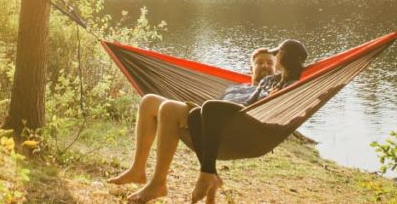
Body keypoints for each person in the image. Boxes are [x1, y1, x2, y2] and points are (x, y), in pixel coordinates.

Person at [108, 48, 278, 203]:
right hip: (208, 119)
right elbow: (215, 106)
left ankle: (158, 184)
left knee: (168, 108)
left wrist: (275, 90)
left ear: (276, 70)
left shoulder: (274, 90)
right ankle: (138, 170)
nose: (265, 65)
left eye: (270, 63)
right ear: (251, 69)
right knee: (149, 101)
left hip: (237, 132)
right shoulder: (235, 87)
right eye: (259, 62)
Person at [188, 39, 308, 203]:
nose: (274, 56)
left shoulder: (293, 85)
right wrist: (227, 106)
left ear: (285, 57)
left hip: (259, 124)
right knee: (195, 114)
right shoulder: (268, 80)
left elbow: (290, 107)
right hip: (246, 113)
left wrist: (273, 98)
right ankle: (210, 173)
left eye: (277, 53)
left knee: (209, 107)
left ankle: (206, 174)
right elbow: (248, 102)